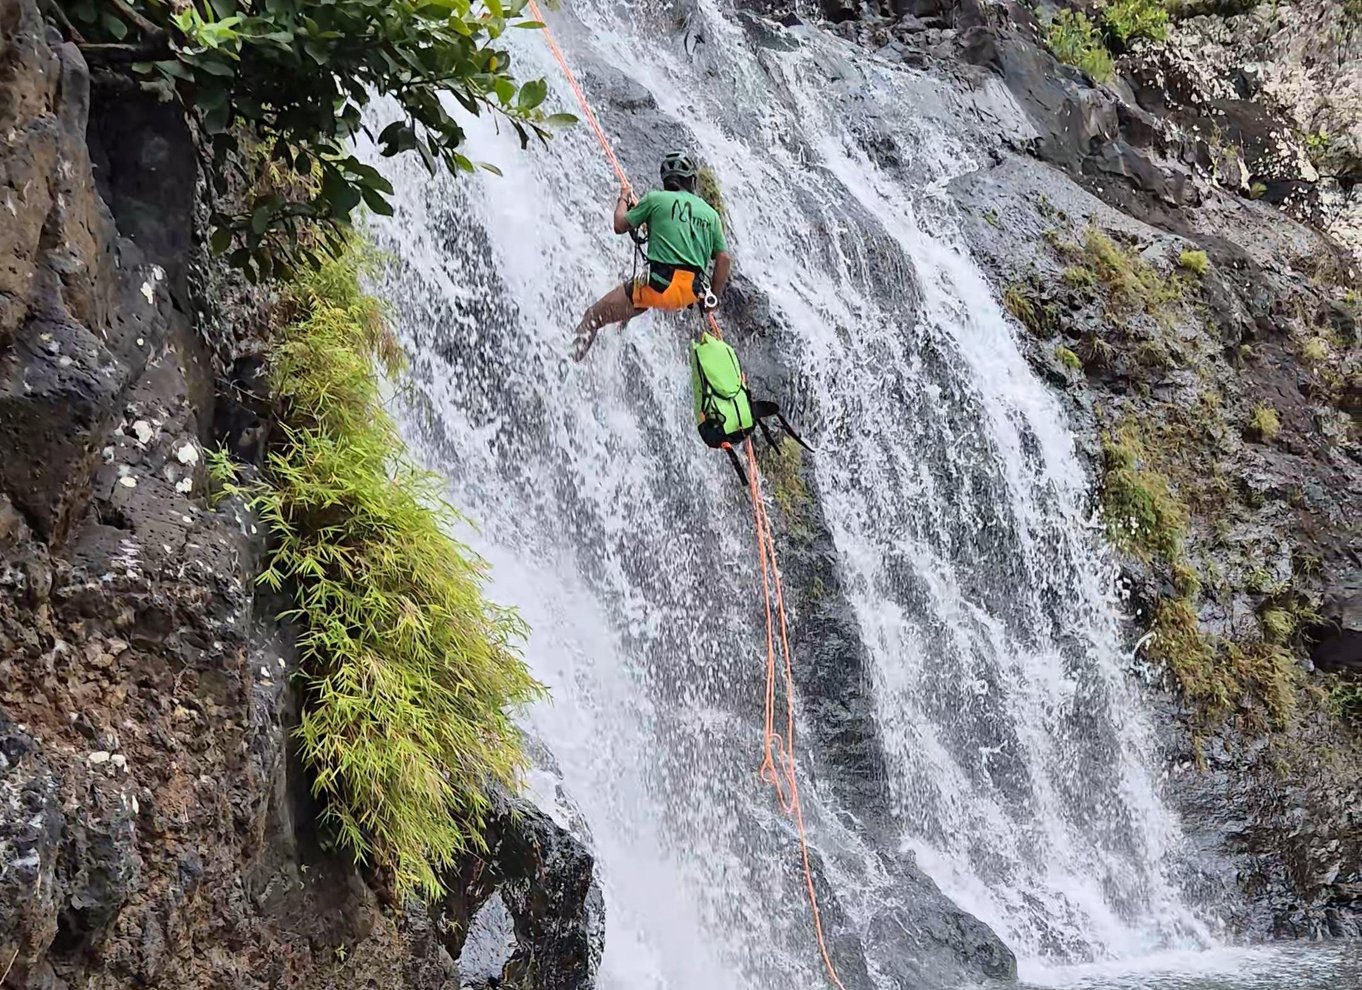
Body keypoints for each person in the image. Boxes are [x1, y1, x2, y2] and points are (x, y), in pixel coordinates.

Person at [571, 151, 732, 361]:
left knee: (593, 316)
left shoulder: (655, 199)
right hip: (690, 294)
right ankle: (621, 330)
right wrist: (714, 299)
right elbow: (724, 259)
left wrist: (623, 197)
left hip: (657, 287)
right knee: (630, 302)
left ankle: (566, 365)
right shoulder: (710, 214)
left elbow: (620, 225)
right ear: (692, 180)